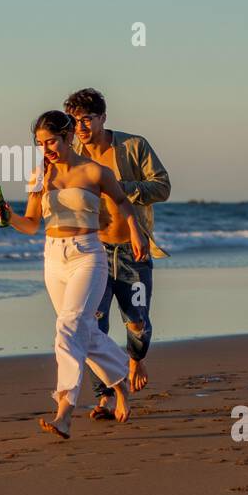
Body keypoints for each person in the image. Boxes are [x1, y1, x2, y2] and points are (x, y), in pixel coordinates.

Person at [0, 110, 148, 439]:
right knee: (84, 330)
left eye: (51, 141)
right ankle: (120, 383)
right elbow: (32, 224)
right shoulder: (40, 176)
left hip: (88, 255)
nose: (46, 148)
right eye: (39, 143)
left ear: (68, 137)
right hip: (53, 258)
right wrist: (9, 218)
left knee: (67, 326)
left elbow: (123, 202)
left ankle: (65, 409)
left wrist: (135, 230)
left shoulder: (94, 171)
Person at [62, 88, 171, 418]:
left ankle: (135, 359)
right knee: (93, 324)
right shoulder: (73, 153)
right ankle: (106, 396)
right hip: (92, 251)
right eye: (74, 121)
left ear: (102, 118)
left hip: (132, 251)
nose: (80, 127)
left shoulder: (133, 146)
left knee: (137, 321)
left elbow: (163, 186)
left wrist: (124, 188)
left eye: (86, 120)